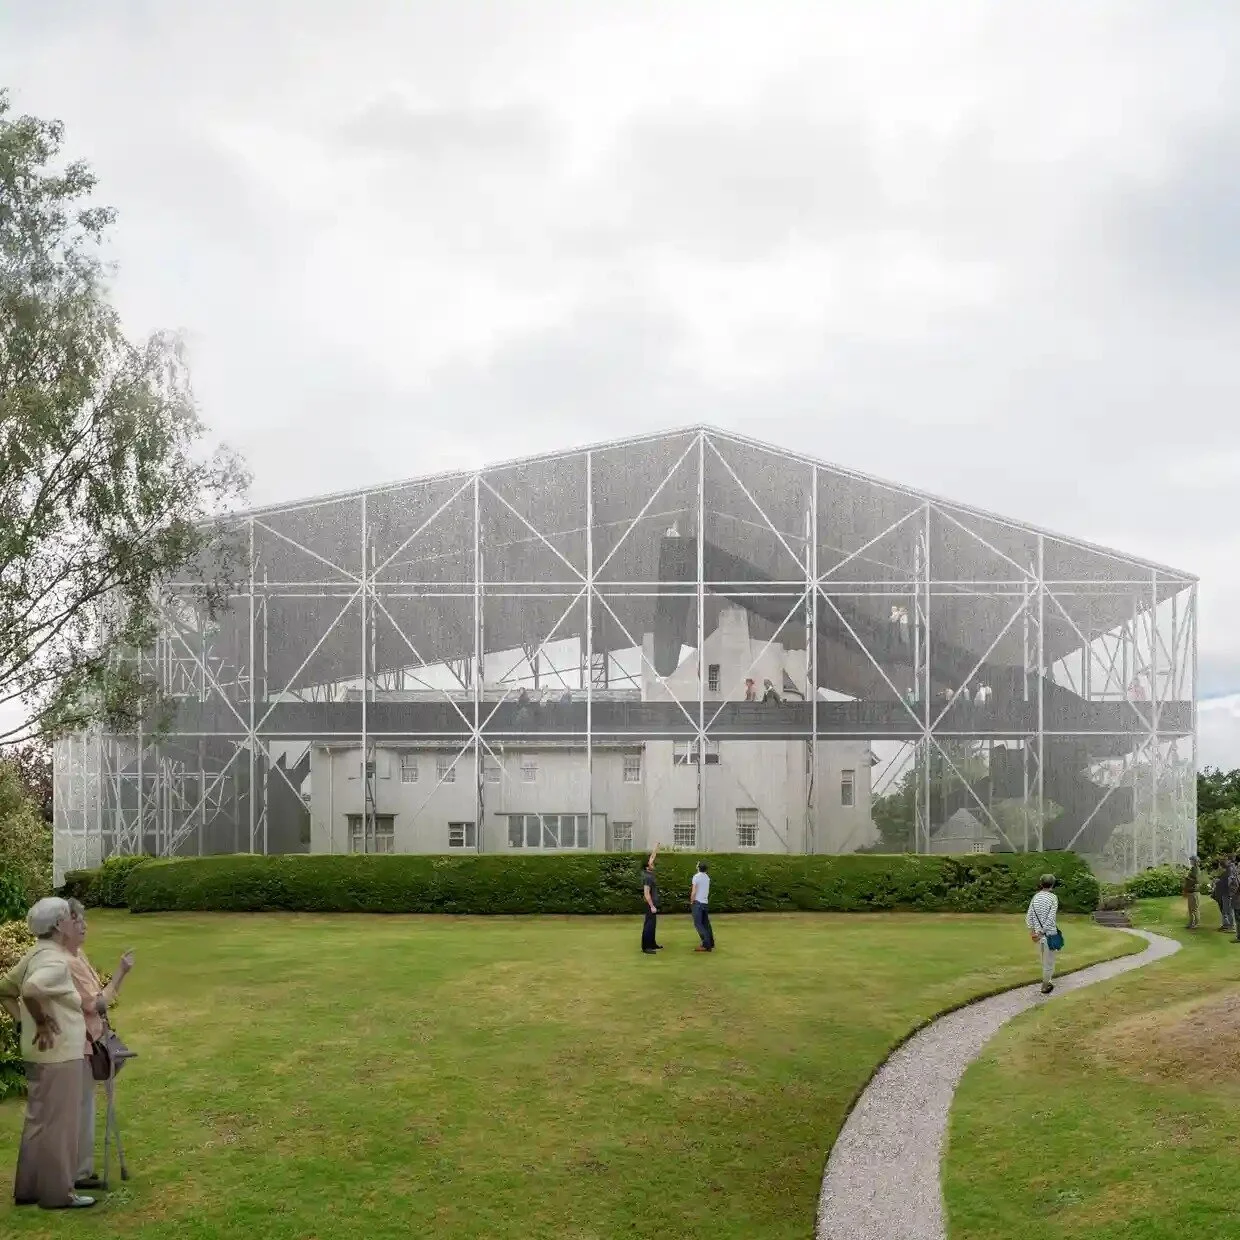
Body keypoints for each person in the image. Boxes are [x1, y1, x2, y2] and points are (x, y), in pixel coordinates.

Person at [0, 897, 95, 1209]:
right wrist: (40, 1022)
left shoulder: (35, 953)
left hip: (39, 1054)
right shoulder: (54, 960)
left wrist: (21, 1023)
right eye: (70, 916)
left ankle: (28, 1189)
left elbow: (5, 988)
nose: (74, 920)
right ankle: (58, 1194)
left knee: (38, 1121)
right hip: (60, 1054)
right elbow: (30, 990)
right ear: (59, 925)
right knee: (60, 1127)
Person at [64, 899, 134, 1192]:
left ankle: (81, 1169)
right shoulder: (66, 962)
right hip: (79, 1044)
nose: (84, 925)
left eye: (84, 919)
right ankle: (75, 1173)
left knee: (85, 1107)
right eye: (77, 920)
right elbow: (96, 1002)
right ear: (61, 925)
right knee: (79, 1108)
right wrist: (121, 972)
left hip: (93, 1040)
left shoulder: (78, 955)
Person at [1025, 874, 1060, 995]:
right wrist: (1041, 932)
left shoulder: (1035, 897)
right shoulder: (1053, 898)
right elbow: (1050, 918)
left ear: (1041, 883)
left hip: (1038, 936)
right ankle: (1046, 985)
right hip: (1049, 934)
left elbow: (1029, 916)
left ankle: (1047, 981)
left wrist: (1033, 932)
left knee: (1043, 960)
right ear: (1052, 884)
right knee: (1049, 961)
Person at [641, 843, 662, 954]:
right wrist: (652, 906)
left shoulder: (649, 873)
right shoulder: (647, 877)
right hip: (650, 904)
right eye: (651, 863)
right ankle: (646, 947)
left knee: (652, 924)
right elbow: (646, 893)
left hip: (652, 903)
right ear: (647, 866)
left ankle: (652, 943)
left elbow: (652, 857)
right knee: (648, 925)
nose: (653, 863)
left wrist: (656, 847)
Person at [690, 861, 714, 953]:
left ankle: (706, 945)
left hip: (698, 903)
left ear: (699, 868)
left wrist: (692, 901)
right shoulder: (707, 877)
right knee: (706, 924)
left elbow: (694, 891)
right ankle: (710, 942)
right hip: (705, 903)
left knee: (698, 924)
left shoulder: (696, 877)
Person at [1214, 860, 1235, 932]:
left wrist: (1218, 882)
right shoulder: (1227, 872)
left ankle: (1230, 926)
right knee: (1225, 910)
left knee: (1228, 910)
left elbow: (1226, 884)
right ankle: (1226, 925)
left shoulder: (1228, 873)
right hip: (1225, 893)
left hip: (1227, 894)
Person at [1183, 856, 1201, 930]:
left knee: (1194, 909)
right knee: (1190, 909)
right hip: (1190, 891)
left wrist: (1187, 878)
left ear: (1195, 861)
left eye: (1192, 860)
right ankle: (1191, 923)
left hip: (1194, 891)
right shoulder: (1193, 869)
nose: (1190, 861)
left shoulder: (1196, 869)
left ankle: (1195, 923)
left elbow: (1196, 880)